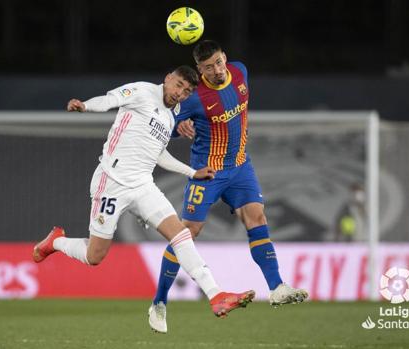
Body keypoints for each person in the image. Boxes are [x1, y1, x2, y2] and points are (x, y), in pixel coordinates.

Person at [32, 65, 255, 323]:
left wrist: (192, 173)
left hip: (142, 186)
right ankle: (56, 242)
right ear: (168, 78)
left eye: (187, 91)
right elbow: (110, 100)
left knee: (181, 234)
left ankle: (216, 295)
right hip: (111, 182)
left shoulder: (171, 118)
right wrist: (84, 105)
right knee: (95, 256)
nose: (180, 93)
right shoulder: (141, 91)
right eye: (178, 85)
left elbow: (159, 154)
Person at [148, 41, 308, 333]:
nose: (217, 70)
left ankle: (277, 287)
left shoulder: (241, 72)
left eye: (219, 62)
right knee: (186, 233)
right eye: (209, 67)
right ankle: (159, 302)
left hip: (240, 167)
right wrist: (178, 128)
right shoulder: (193, 98)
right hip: (207, 173)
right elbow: (161, 124)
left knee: (257, 217)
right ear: (200, 69)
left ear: (226, 59)